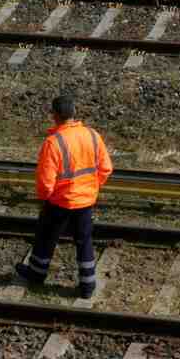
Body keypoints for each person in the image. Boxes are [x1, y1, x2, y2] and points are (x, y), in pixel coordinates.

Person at [15, 95, 113, 299]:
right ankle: (87, 286)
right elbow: (105, 169)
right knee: (84, 241)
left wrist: (45, 199)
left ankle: (36, 274)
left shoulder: (53, 143)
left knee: (46, 238)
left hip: (59, 202)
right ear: (74, 112)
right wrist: (91, 188)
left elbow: (45, 181)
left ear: (55, 116)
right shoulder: (93, 135)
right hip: (85, 201)